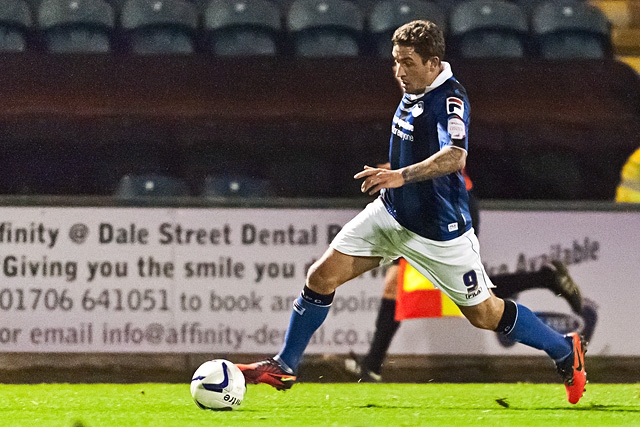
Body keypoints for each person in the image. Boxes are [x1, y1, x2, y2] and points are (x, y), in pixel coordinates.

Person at [237, 20, 587, 405]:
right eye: (396, 61)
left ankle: (565, 350)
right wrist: (393, 175)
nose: (399, 71)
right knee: (320, 276)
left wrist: (401, 175)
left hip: (438, 232)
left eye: (408, 62)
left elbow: (455, 156)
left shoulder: (450, 99)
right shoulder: (414, 88)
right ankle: (285, 365)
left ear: (433, 63)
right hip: (390, 216)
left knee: (485, 315)